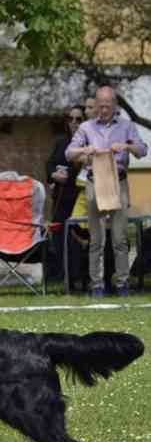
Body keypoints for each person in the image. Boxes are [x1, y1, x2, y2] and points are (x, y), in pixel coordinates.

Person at [66, 86, 148, 297]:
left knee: (119, 238)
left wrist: (127, 147)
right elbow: (69, 153)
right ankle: (97, 285)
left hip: (119, 182)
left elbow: (143, 150)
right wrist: (85, 149)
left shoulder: (127, 126)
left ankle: (122, 283)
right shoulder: (86, 127)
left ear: (114, 105)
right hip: (95, 183)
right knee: (97, 239)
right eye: (100, 105)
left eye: (107, 105)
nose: (103, 110)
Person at [45, 104, 85, 278]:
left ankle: (78, 274)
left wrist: (67, 176)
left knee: (77, 237)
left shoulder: (89, 141)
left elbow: (85, 168)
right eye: (71, 119)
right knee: (58, 235)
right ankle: (61, 273)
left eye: (78, 119)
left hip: (78, 196)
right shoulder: (61, 141)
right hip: (60, 198)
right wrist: (52, 174)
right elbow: (50, 163)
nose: (74, 123)